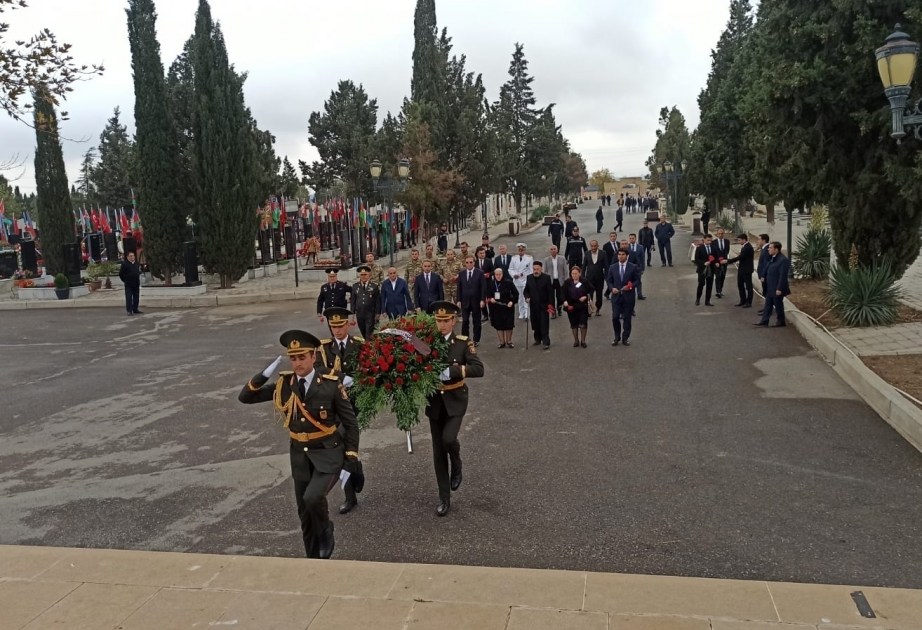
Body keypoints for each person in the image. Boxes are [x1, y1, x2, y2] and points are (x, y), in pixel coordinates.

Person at [238, 330, 359, 558]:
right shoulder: (285, 384)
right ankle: (312, 560)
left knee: (313, 498)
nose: (297, 363)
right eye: (293, 358)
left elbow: (351, 424)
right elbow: (246, 397)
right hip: (300, 457)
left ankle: (326, 530)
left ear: (313, 357)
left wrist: (350, 460)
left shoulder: (330, 385)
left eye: (302, 357)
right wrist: (263, 375)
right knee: (304, 514)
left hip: (328, 454)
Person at [425, 301, 485, 516]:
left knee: (449, 439)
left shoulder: (462, 343)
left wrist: (453, 370)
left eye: (445, 321)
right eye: (438, 320)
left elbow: (479, 369)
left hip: (456, 399)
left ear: (454, 320)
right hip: (434, 402)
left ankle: (457, 462)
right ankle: (444, 498)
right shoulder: (427, 342)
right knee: (438, 452)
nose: (441, 325)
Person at [315, 308, 366, 515]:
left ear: (348, 325)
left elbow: (369, 367)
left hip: (354, 403)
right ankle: (351, 490)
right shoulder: (323, 348)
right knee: (340, 447)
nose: (336, 330)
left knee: (343, 439)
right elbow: (318, 368)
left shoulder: (359, 346)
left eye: (340, 325)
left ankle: (352, 471)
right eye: (333, 326)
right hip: (332, 404)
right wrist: (340, 377)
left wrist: (358, 379)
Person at [607, 248, 641, 346]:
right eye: (619, 254)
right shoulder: (613, 267)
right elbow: (609, 280)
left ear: (627, 256)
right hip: (616, 296)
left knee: (627, 318)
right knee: (615, 317)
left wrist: (630, 286)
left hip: (628, 297)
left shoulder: (633, 267)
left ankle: (625, 337)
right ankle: (617, 337)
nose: (621, 256)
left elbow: (637, 281)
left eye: (623, 254)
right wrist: (611, 288)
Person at [756, 242, 790, 328]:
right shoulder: (772, 258)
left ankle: (781, 321)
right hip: (770, 286)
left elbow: (783, 276)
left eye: (771, 248)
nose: (768, 249)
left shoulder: (783, 260)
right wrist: (763, 276)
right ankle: (764, 321)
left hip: (777, 287)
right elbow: (767, 267)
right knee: (768, 304)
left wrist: (779, 288)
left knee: (778, 305)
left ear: (776, 249)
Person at [524, 260, 554, 349]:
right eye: (534, 269)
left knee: (544, 323)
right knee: (536, 323)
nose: (536, 271)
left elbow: (550, 293)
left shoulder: (546, 278)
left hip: (544, 305)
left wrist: (551, 305)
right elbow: (526, 290)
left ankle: (546, 342)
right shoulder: (529, 278)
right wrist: (527, 297)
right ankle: (537, 339)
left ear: (541, 269)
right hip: (533, 305)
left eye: (537, 269)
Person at [561, 266, 593, 348]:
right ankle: (576, 340)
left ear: (579, 273)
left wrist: (585, 296)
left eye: (576, 273)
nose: (574, 275)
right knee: (574, 324)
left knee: (583, 324)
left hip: (582, 306)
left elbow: (591, 289)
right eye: (572, 273)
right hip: (571, 306)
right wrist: (564, 301)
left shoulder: (584, 281)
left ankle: (583, 340)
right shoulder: (567, 282)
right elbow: (562, 293)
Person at [457, 255, 485, 346]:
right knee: (465, 321)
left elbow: (483, 287)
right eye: (467, 262)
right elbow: (459, 288)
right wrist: (458, 300)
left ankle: (476, 339)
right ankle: (465, 339)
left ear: (474, 263)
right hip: (465, 301)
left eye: (471, 262)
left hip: (476, 301)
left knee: (476, 321)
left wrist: (482, 300)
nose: (469, 264)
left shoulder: (480, 273)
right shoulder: (461, 274)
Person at [486, 267, 518, 348]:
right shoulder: (492, 283)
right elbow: (488, 294)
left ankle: (509, 341)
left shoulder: (508, 282)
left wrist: (512, 301)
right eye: (496, 275)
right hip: (496, 307)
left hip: (507, 307)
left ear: (502, 274)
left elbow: (516, 294)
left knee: (509, 324)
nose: (498, 276)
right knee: (498, 324)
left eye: (500, 274)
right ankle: (501, 342)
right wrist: (491, 298)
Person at [351, 265, 380, 339]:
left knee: (369, 331)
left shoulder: (374, 286)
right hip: (359, 313)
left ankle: (368, 346)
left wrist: (378, 312)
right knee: (362, 330)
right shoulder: (355, 286)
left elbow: (377, 300)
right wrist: (352, 313)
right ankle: (367, 343)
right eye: (362, 275)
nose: (363, 276)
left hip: (370, 313)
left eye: (365, 274)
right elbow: (353, 300)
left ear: (369, 275)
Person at [727, 233, 755, 308]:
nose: (738, 241)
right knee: (740, 284)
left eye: (739, 240)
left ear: (744, 239)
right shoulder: (744, 247)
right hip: (742, 269)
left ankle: (749, 302)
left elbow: (741, 257)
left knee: (748, 286)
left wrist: (728, 261)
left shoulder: (748, 247)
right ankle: (742, 300)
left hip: (746, 270)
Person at [582, 240, 609, 316]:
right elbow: (584, 266)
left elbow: (606, 266)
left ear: (598, 245)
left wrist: (607, 276)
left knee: (599, 295)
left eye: (595, 246)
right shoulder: (587, 253)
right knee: (589, 295)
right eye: (592, 246)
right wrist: (582, 277)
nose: (593, 247)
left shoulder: (603, 253)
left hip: (599, 278)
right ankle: (589, 310)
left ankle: (598, 309)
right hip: (589, 278)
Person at [508, 243, 533, 320]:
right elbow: (510, 269)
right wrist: (513, 275)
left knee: (525, 296)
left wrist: (528, 279)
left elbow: (531, 270)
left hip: (525, 280)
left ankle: (526, 313)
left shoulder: (529, 258)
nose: (520, 252)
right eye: (519, 250)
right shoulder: (514, 258)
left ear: (524, 250)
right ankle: (521, 312)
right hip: (517, 280)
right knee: (519, 297)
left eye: (522, 250)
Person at [544, 245, 568, 316]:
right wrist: (545, 280)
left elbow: (565, 270)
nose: (553, 250)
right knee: (551, 297)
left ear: (557, 250)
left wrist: (566, 280)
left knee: (560, 296)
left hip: (560, 280)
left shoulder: (562, 258)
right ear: (550, 251)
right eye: (551, 249)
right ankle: (553, 312)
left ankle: (559, 308)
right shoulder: (546, 260)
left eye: (554, 249)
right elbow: (545, 271)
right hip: (550, 280)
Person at [694, 234, 717, 307]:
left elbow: (716, 257)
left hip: (711, 269)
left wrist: (715, 262)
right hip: (702, 270)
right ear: (704, 240)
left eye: (711, 240)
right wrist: (704, 263)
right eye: (708, 240)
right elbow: (696, 259)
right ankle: (698, 299)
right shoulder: (699, 248)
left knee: (709, 285)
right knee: (701, 284)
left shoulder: (714, 248)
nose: (709, 242)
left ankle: (707, 301)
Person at [474, 247, 495, 322]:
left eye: (483, 253)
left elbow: (493, 271)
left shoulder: (488, 261)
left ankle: (492, 314)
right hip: (479, 284)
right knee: (481, 299)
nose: (482, 254)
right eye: (481, 253)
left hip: (488, 283)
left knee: (489, 299)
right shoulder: (475, 262)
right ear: (477, 254)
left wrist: (489, 274)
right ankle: (485, 314)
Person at [119, 251, 142, 316]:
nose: (132, 257)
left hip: (136, 283)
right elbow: (121, 274)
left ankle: (135, 309)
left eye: (133, 256)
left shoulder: (137, 264)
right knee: (129, 297)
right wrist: (125, 280)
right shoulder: (125, 264)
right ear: (128, 257)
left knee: (136, 297)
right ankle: (129, 310)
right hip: (128, 284)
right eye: (131, 256)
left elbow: (139, 271)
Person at [712, 228, 732, 298]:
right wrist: (716, 261)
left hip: (724, 262)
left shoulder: (727, 241)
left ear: (724, 234)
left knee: (723, 276)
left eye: (722, 233)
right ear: (717, 234)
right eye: (719, 233)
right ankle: (718, 291)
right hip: (717, 262)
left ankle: (720, 289)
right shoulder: (714, 242)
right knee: (718, 276)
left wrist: (725, 260)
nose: (720, 235)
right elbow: (713, 253)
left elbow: (727, 250)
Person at [627, 234, 647, 300]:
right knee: (629, 282)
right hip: (629, 268)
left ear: (635, 239)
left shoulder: (640, 247)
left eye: (632, 238)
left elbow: (642, 258)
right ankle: (630, 295)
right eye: (630, 238)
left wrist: (643, 268)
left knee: (638, 281)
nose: (631, 239)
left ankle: (639, 294)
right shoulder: (627, 247)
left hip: (637, 267)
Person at [756, 233, 771, 297]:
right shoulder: (763, 249)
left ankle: (768, 306)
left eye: (759, 239)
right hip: (763, 275)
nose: (758, 241)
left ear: (764, 240)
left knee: (766, 292)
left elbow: (766, 264)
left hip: (765, 276)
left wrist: (763, 275)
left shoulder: (767, 250)